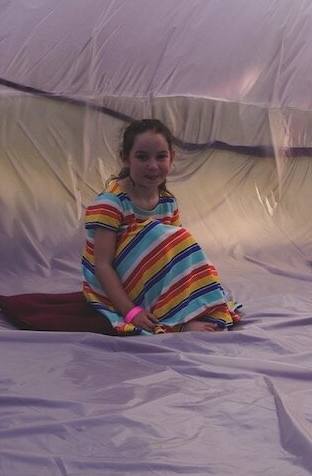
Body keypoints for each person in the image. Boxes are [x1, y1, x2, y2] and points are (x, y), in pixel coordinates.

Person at [82, 119, 242, 333]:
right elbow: (102, 265)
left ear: (172, 158)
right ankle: (176, 322)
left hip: (150, 280)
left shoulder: (167, 202)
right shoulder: (111, 203)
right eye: (142, 157)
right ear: (125, 159)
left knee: (181, 242)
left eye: (161, 156)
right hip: (118, 287)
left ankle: (189, 310)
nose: (152, 166)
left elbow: (173, 259)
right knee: (158, 233)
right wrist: (131, 312)